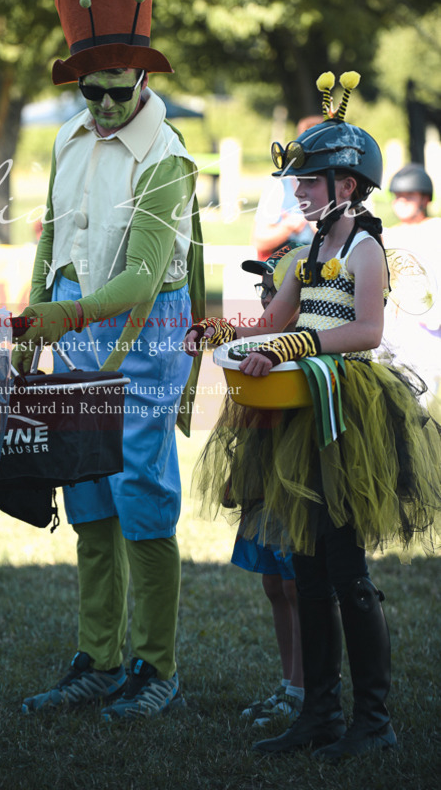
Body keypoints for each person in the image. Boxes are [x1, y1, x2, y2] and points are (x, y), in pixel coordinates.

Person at [185, 71, 441, 761]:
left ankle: (374, 721)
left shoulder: (364, 250)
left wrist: (296, 342)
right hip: (300, 413)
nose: (297, 193)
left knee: (347, 573)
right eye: (296, 181)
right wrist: (225, 335)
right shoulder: (303, 254)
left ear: (348, 187)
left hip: (346, 416)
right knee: (305, 567)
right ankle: (320, 715)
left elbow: (365, 330)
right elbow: (271, 322)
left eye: (310, 181)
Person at [12, 0, 204, 720]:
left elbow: (143, 277)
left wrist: (62, 318)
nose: (102, 106)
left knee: (142, 494)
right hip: (74, 323)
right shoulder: (66, 138)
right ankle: (98, 658)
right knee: (87, 489)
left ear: (144, 78)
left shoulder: (168, 154)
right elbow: (53, 236)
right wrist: (35, 311)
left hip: (143, 332)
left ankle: (156, 667)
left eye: (116, 90)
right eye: (88, 91)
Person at [235, 246, 304, 728]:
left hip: (302, 466)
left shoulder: (308, 335)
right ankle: (287, 686)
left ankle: (305, 690)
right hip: (267, 463)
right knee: (274, 582)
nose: (266, 298)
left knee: (300, 583)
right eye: (263, 289)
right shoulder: (266, 331)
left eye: (274, 289)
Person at [382, 164, 441, 416]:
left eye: (409, 196)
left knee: (427, 391)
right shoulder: (387, 234)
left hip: (428, 322)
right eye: (398, 197)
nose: (402, 202)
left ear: (424, 199)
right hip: (396, 321)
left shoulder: (435, 228)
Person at [252, 117, 321, 260]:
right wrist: (287, 227)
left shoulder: (345, 185)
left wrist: (320, 225)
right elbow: (259, 240)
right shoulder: (281, 184)